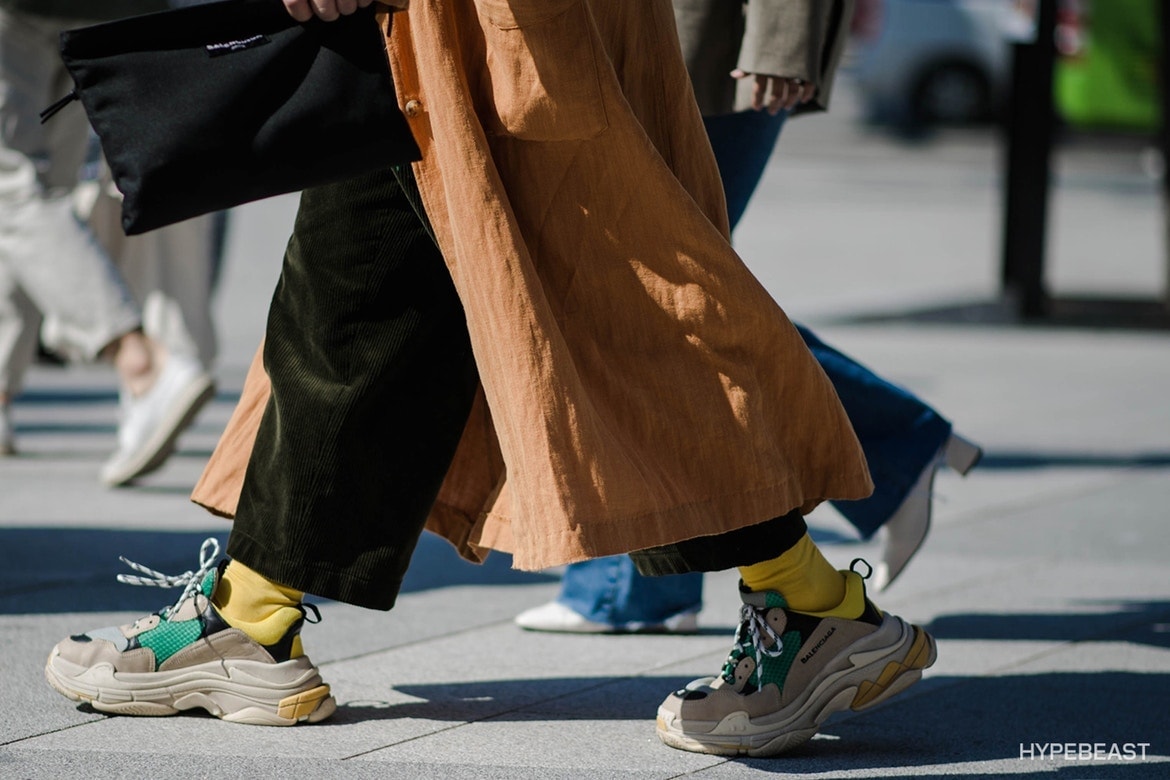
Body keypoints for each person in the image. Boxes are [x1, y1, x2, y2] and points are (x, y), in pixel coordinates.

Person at [44, 0, 937, 757]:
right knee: (358, 288)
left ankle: (810, 604)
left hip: (517, 26)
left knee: (614, 306)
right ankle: (251, 611)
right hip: (444, 25)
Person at [514, 0, 982, 636]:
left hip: (711, 51)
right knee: (656, 293)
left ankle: (640, 588)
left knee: (661, 293)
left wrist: (781, 39)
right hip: (646, 42)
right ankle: (900, 442)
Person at [0, 0, 216, 482]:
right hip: (115, 6)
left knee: (12, 192)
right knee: (41, 192)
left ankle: (141, 362)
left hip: (19, 11)